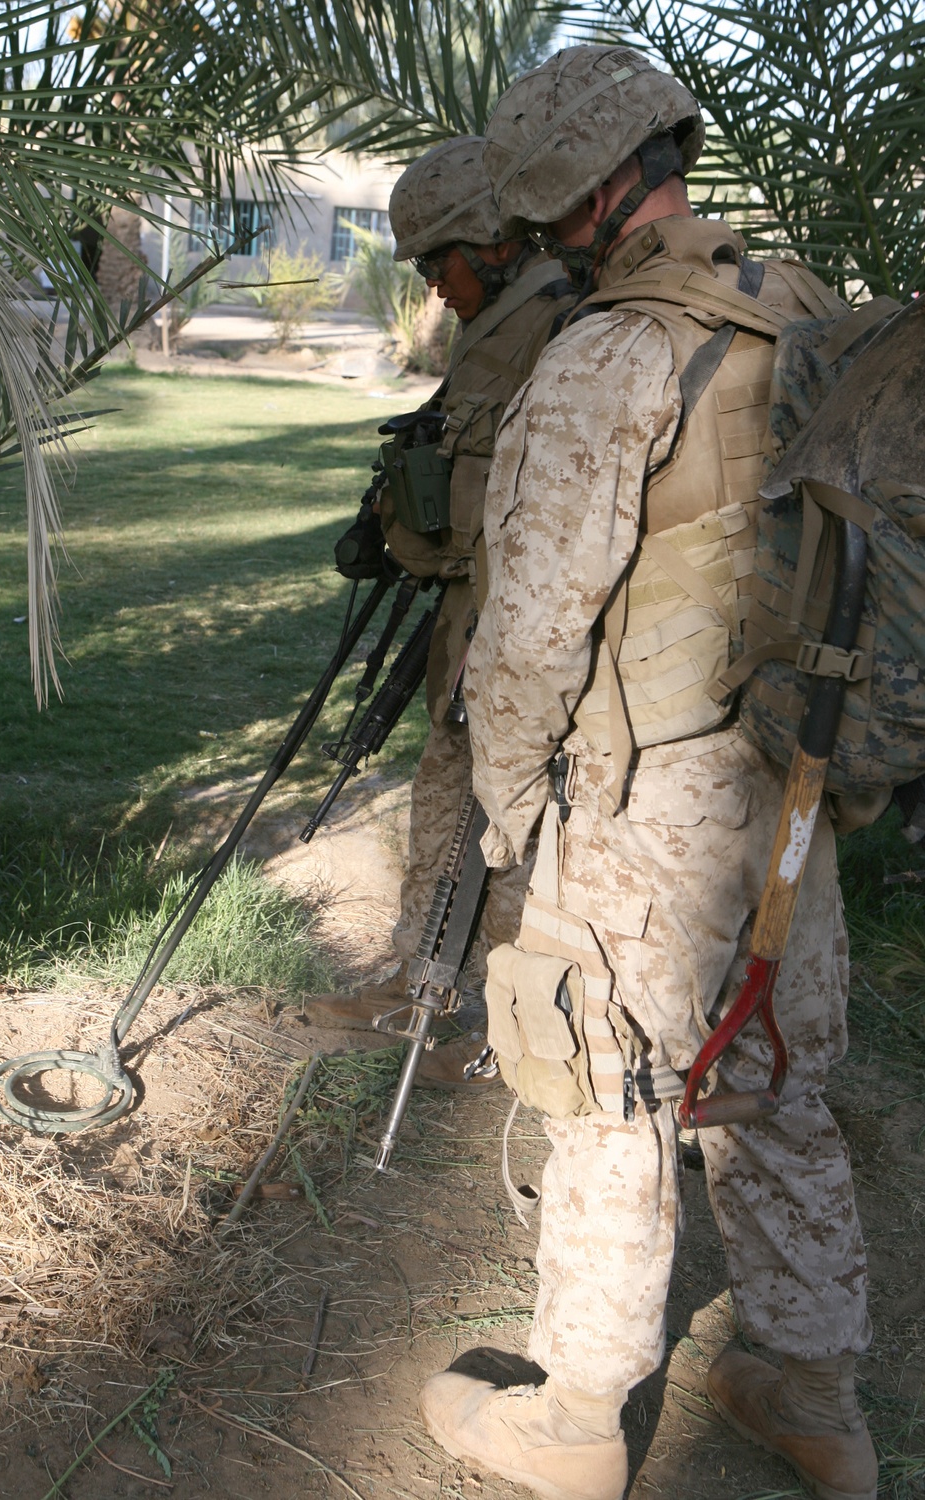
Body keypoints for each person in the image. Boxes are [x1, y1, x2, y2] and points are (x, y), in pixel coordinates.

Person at [418, 45, 877, 1500]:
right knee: (780, 1086)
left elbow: (528, 636)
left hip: (638, 805)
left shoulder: (604, 359)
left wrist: (504, 813)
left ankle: (573, 1425)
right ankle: (816, 1402)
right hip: (790, 784)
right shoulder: (799, 311)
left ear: (562, 198)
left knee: (609, 1100)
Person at [308, 136, 573, 1087]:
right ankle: (416, 983)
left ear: (492, 238)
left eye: (438, 262)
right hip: (469, 620)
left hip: (523, 633)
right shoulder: (495, 322)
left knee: (518, 829)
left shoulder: (562, 323)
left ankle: (515, 1033)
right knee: (444, 795)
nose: (431, 286)